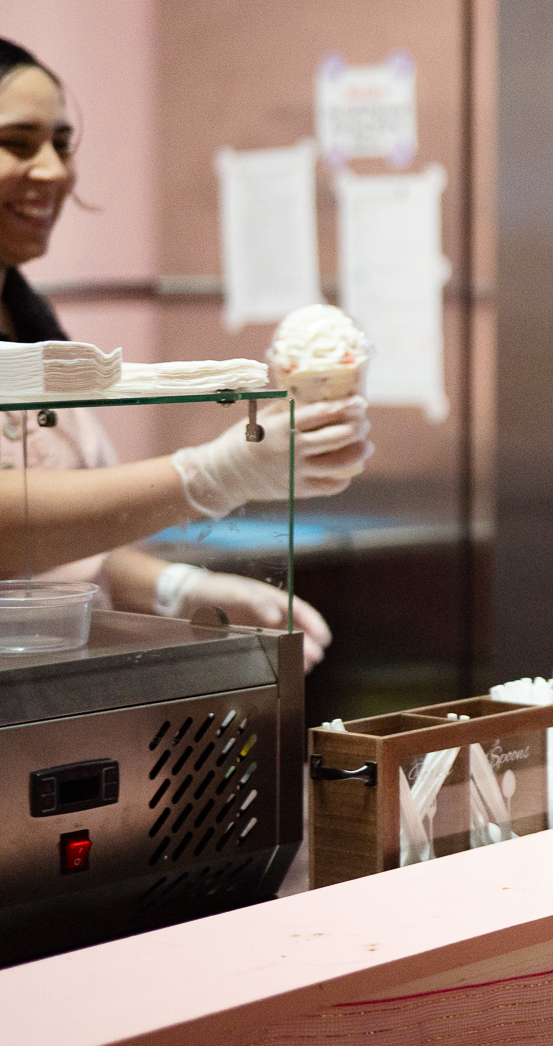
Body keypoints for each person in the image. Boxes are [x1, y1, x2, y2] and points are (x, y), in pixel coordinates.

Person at [0, 38, 371, 666]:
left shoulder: (35, 329)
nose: (55, 171)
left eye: (62, 144)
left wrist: (179, 589)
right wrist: (212, 475)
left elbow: (59, 549)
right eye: (17, 142)